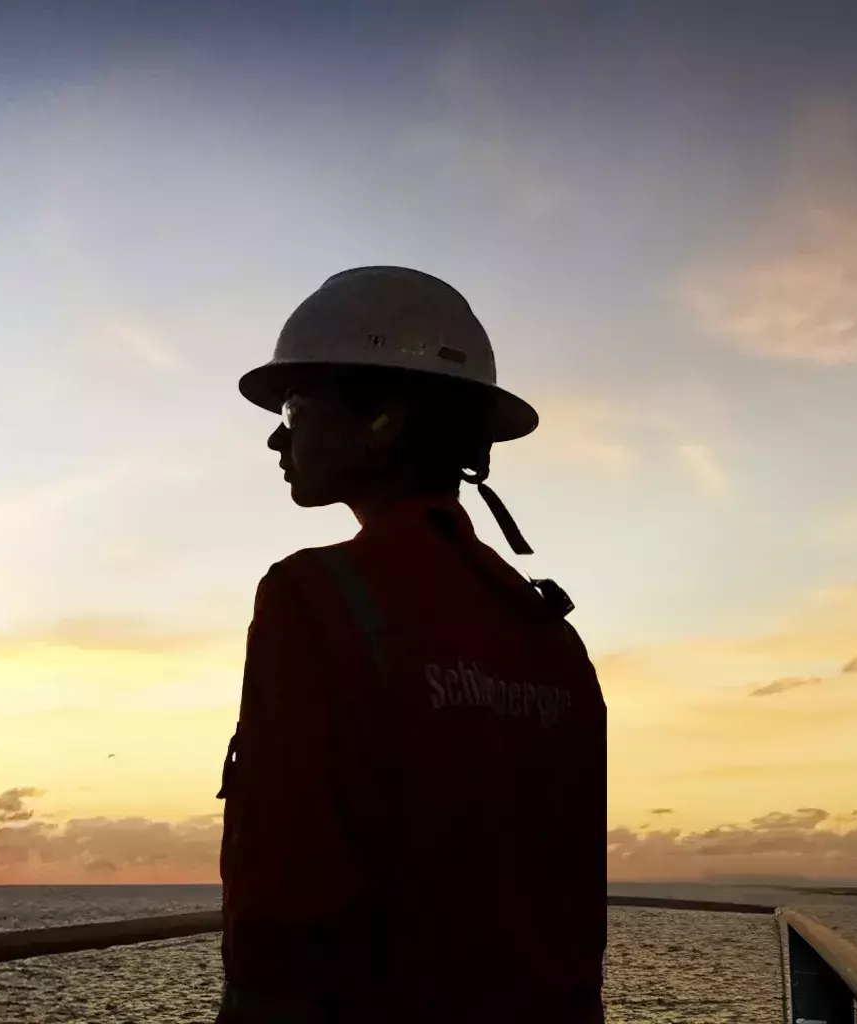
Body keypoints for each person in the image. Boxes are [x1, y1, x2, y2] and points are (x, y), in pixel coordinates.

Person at [216, 267, 607, 1023]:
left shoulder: (313, 598)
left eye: (296, 406)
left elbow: (287, 892)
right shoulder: (551, 636)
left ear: (383, 420)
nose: (276, 433)